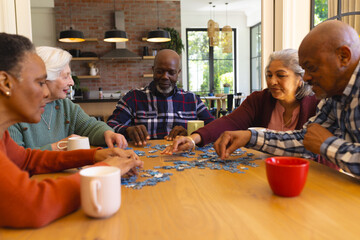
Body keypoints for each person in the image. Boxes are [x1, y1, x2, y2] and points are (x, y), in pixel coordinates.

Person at [0, 33, 143, 228]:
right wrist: (105, 171)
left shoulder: (3, 134)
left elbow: (27, 160)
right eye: (40, 83)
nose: (45, 93)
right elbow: (33, 205)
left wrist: (96, 155)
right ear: (6, 83)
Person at [213, 20, 360, 176]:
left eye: (311, 68)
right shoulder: (334, 96)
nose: (307, 78)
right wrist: (250, 137)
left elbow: (319, 142)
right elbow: (305, 140)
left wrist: (327, 145)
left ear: (343, 56)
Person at [163, 49, 318, 154]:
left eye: (281, 75)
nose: (272, 81)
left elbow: (316, 151)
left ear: (300, 79)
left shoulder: (317, 105)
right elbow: (229, 122)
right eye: (269, 75)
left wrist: (250, 137)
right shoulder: (259, 99)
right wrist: (192, 139)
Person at [8, 46, 128, 150]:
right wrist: (59, 146)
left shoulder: (64, 105)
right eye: (65, 77)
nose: (71, 82)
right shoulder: (12, 112)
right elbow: (15, 160)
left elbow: (90, 126)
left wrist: (107, 133)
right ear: (45, 78)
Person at [107, 49, 214, 146]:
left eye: (171, 72)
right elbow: (109, 127)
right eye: (159, 71)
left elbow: (213, 127)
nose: (164, 77)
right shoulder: (132, 98)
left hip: (184, 159)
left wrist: (190, 134)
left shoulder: (192, 99)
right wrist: (127, 130)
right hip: (143, 160)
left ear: (178, 73)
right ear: (153, 70)